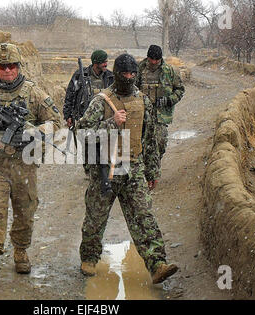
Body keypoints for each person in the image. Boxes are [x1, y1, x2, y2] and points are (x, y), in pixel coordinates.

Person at [0, 43, 62, 284]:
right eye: (3, 67)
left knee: (25, 212)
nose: (7, 71)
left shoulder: (33, 93)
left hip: (24, 165)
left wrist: (33, 132)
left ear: (18, 67)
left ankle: (20, 251)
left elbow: (56, 122)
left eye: (12, 66)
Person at [76, 53, 178, 284]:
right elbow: (82, 135)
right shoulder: (101, 101)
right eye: (125, 74)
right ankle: (89, 258)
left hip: (134, 168)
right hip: (105, 169)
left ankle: (157, 263)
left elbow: (150, 139)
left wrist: (152, 171)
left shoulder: (143, 101)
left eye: (133, 73)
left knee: (144, 216)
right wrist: (111, 123)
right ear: (117, 73)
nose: (129, 77)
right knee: (95, 217)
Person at [135, 45, 185, 188]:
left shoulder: (169, 71)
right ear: (148, 58)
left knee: (160, 143)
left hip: (160, 115)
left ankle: (154, 166)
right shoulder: (139, 69)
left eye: (157, 60)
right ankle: (144, 172)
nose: (154, 63)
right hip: (141, 114)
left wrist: (169, 100)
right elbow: (131, 88)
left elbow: (180, 90)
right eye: (152, 60)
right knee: (141, 144)